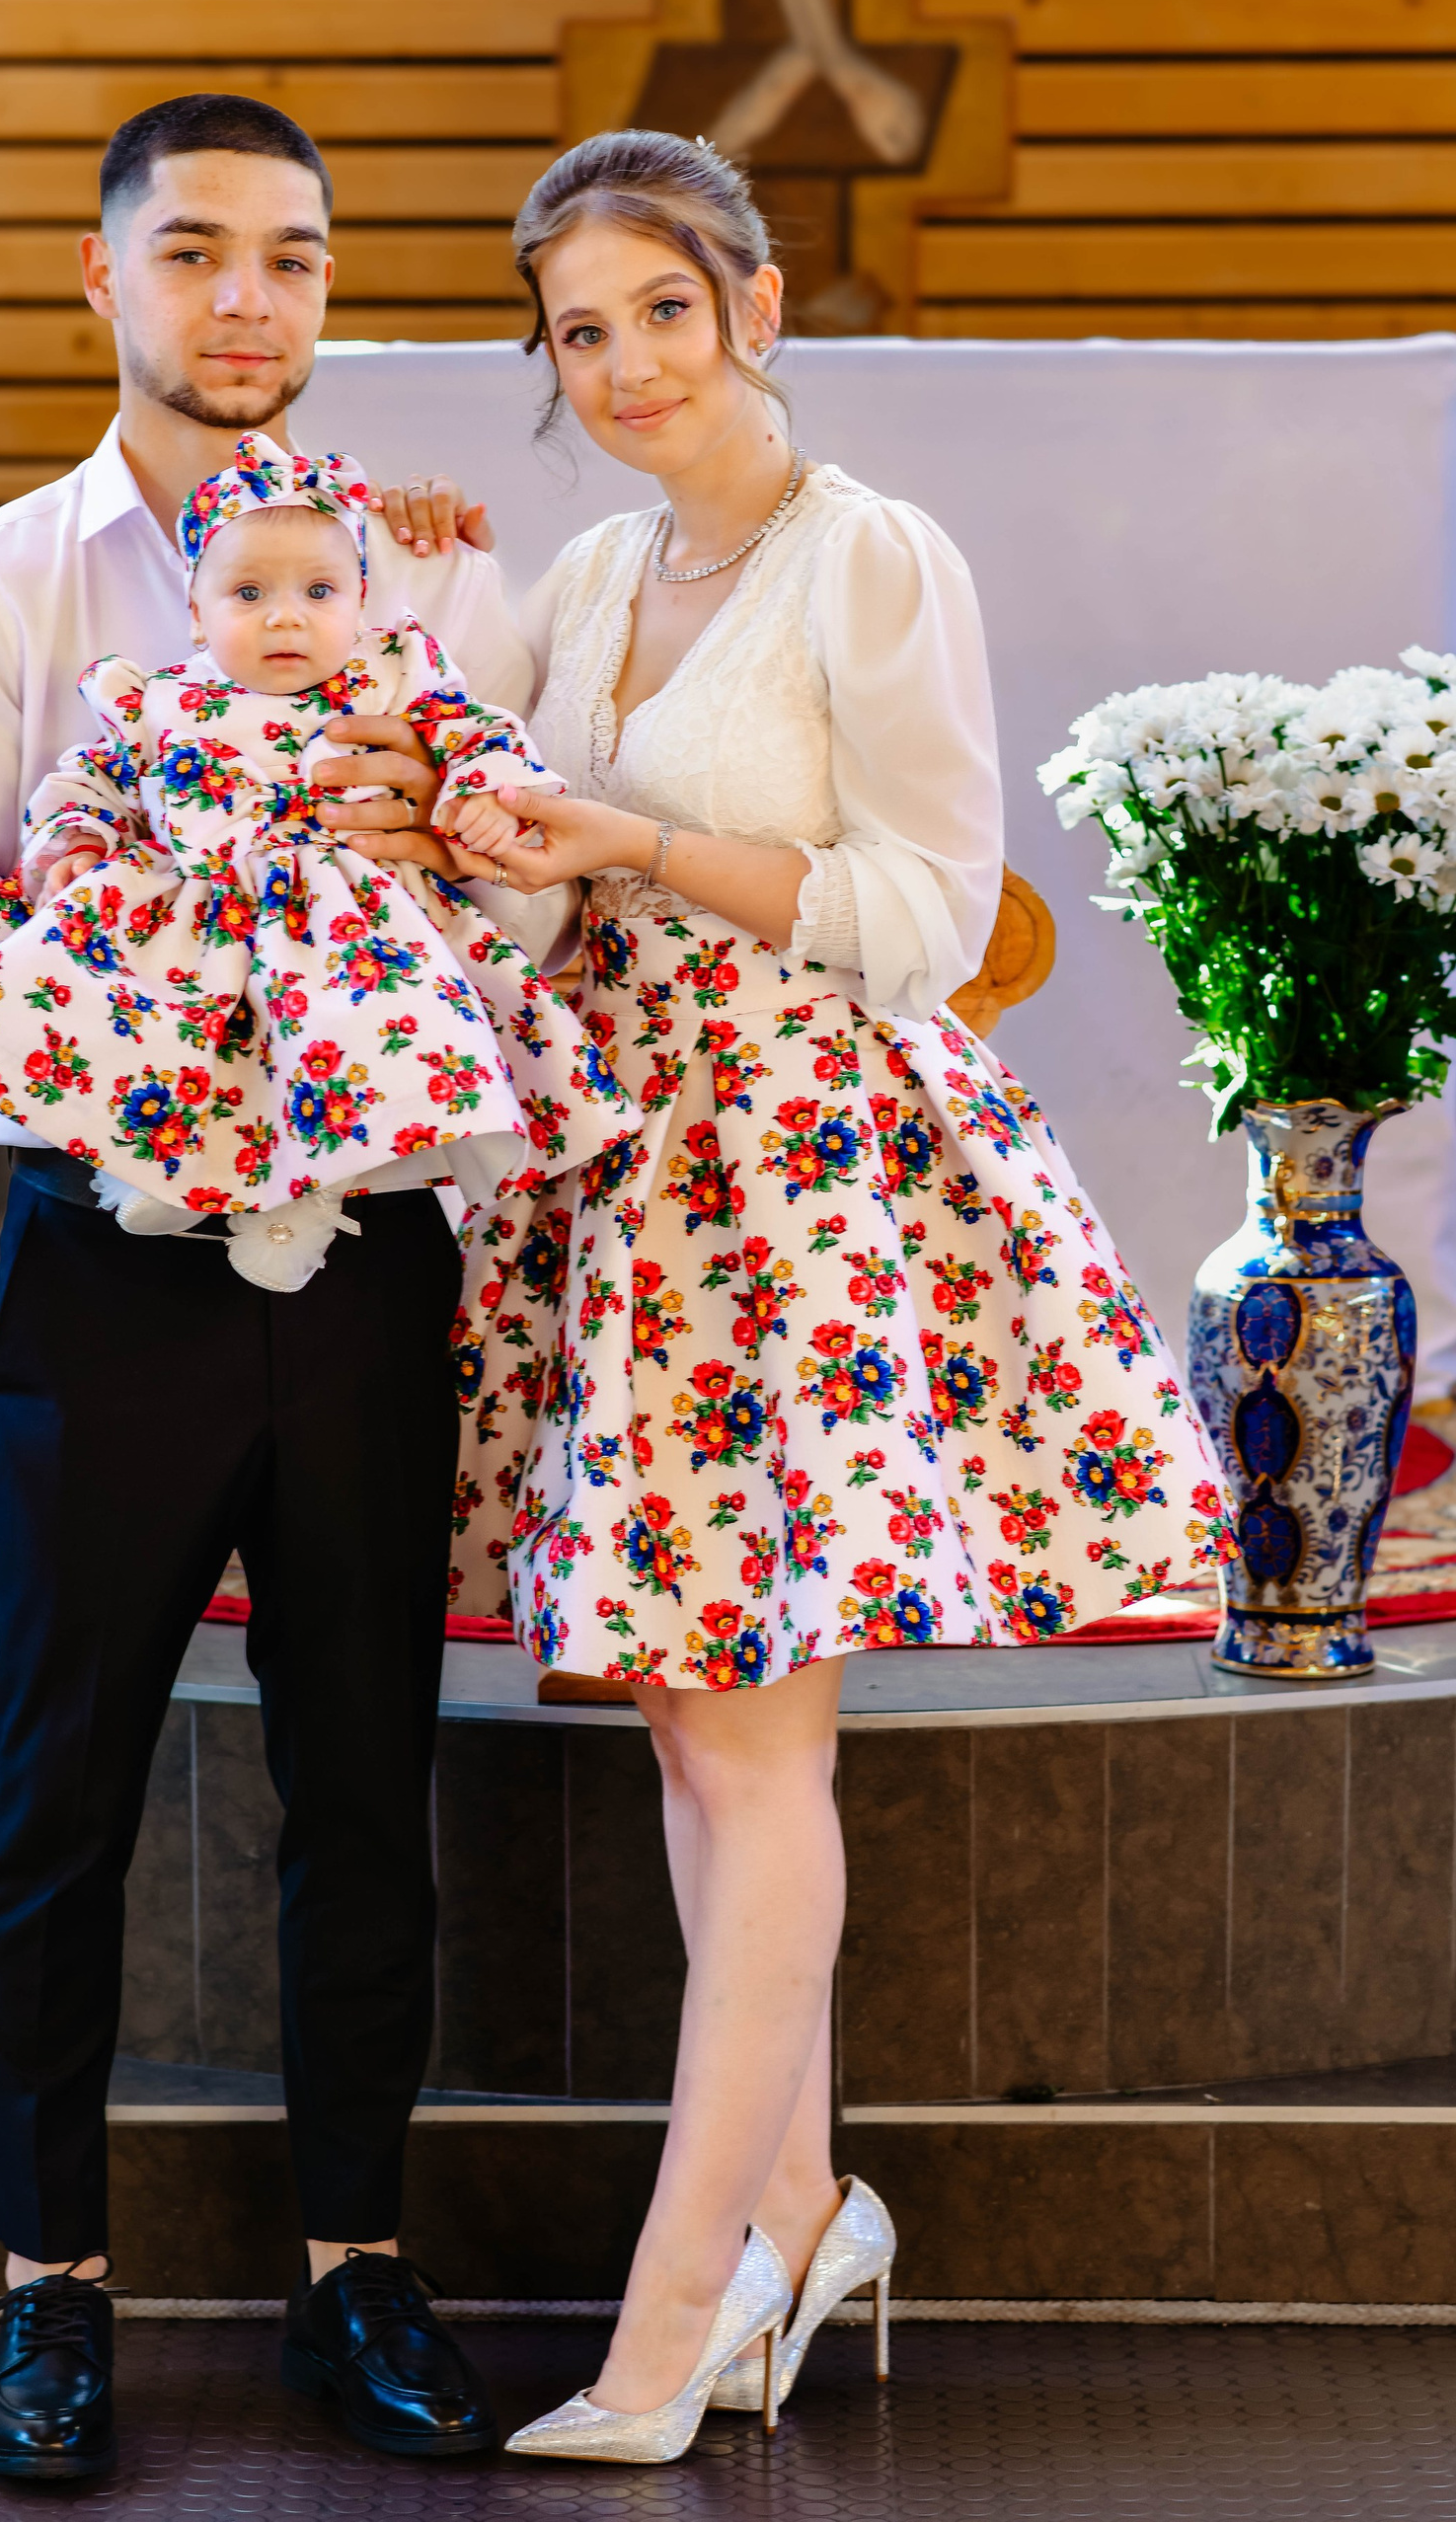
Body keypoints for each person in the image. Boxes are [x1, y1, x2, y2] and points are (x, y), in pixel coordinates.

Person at [436, 128, 1241, 2463]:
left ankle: (670, 2316)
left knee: (760, 1739)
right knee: (691, 1723)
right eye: (579, 332)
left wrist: (632, 840)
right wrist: (480, 823)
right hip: (630, 1169)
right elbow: (547, 902)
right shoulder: (593, 572)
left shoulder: (866, 551)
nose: (623, 366)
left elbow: (929, 906)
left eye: (661, 313)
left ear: (755, 306)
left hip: (803, 1169)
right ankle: (802, 2212)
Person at [0, 94, 520, 2484]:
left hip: (367, 1258)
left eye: (297, 258)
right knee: (60, 1776)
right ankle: (50, 2286)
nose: (250, 297)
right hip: (114, 1249)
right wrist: (150, 1059)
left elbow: (532, 893)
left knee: (366, 1773)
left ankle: (357, 2267)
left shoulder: (421, 580)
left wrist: (449, 853)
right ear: (103, 275)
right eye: (200, 249)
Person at [0, 432, 629, 1255]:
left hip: (351, 920)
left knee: (363, 1027)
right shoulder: (161, 701)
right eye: (248, 592)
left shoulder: (391, 676)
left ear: (360, 601)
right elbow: (88, 778)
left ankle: (307, 1205)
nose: (284, 614)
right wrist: (76, 839)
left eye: (319, 591)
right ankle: (149, 1163)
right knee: (153, 1017)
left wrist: (480, 791)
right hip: (197, 909)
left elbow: (482, 733)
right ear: (197, 613)